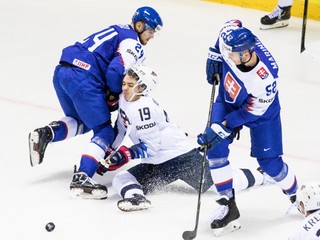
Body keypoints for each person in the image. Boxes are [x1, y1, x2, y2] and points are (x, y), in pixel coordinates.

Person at [97, 64, 274, 212]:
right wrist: (110, 153)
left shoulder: (144, 109)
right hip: (157, 162)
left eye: (130, 85)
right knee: (121, 178)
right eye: (124, 83)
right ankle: (136, 198)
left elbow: (150, 147)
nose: (124, 88)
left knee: (221, 185)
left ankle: (263, 175)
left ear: (142, 87)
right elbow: (120, 128)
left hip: (181, 158)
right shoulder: (125, 99)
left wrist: (124, 155)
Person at [28, 6, 163, 200]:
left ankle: (45, 133)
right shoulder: (132, 42)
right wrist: (114, 94)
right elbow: (115, 71)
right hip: (84, 77)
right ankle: (82, 177)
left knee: (80, 121)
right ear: (140, 25)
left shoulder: (118, 28)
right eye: (150, 31)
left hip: (62, 72)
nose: (151, 36)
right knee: (104, 131)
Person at [197, 19, 299, 236]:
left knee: (270, 163)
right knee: (215, 149)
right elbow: (230, 25)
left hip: (261, 115)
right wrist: (214, 53)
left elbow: (250, 112)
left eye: (229, 53)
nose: (227, 54)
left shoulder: (264, 79)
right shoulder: (233, 42)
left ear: (245, 54)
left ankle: (295, 193)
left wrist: (224, 126)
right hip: (227, 101)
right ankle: (228, 204)